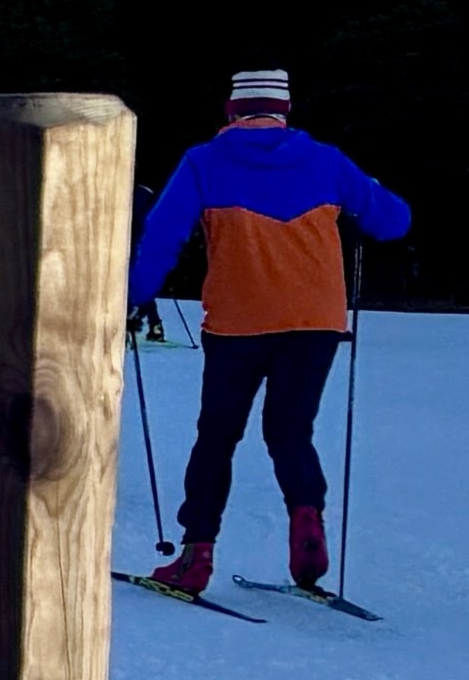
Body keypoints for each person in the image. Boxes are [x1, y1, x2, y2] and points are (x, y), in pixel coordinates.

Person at [134, 66, 410, 597]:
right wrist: (358, 196)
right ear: (285, 111)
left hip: (239, 322)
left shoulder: (204, 162)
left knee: (218, 435)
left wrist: (133, 294)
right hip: (315, 322)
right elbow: (394, 221)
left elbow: (162, 236)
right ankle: (306, 523)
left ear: (231, 112)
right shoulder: (327, 161)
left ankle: (196, 556)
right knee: (290, 431)